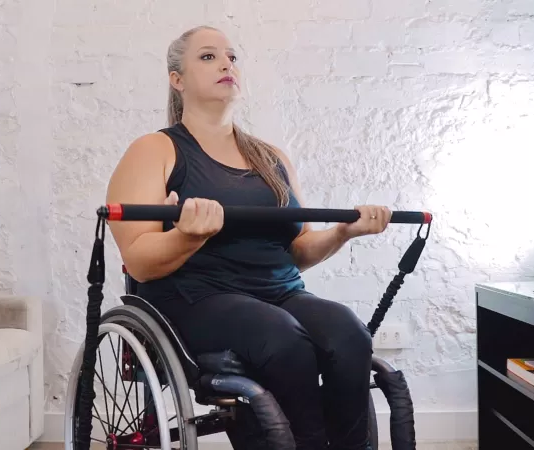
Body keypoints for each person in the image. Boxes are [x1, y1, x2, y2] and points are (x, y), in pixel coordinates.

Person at [105, 25, 392, 450]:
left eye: (232, 57)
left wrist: (343, 232)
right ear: (177, 79)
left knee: (349, 334)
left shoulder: (271, 157)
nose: (226, 63)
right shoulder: (155, 150)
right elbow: (140, 261)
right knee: (283, 339)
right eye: (208, 56)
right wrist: (187, 236)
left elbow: (298, 251)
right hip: (196, 297)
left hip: (280, 292)